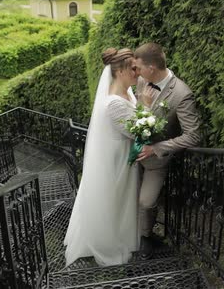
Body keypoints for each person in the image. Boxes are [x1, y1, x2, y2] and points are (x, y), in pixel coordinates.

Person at [64, 48, 153, 266]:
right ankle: (108, 241)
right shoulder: (113, 102)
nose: (137, 72)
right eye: (133, 68)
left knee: (123, 199)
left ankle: (122, 234)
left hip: (122, 155)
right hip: (117, 160)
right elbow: (138, 132)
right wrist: (148, 108)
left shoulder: (127, 93)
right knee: (116, 199)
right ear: (120, 70)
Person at [133, 43, 201, 258]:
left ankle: (145, 237)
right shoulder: (142, 81)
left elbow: (194, 135)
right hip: (131, 155)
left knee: (146, 201)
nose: (136, 72)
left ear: (151, 68)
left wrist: (157, 148)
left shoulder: (181, 93)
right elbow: (135, 114)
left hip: (156, 160)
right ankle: (132, 236)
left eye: (139, 68)